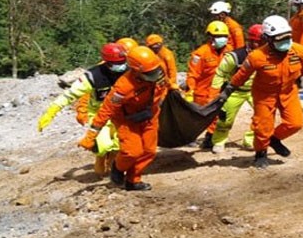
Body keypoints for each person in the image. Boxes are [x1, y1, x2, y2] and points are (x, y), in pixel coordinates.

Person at [217, 15, 303, 168]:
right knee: (262, 127)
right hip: (264, 95)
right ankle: (261, 154)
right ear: (268, 38)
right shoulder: (257, 56)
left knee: (295, 123)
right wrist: (225, 94)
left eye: (287, 37)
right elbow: (240, 76)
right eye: (279, 39)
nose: (284, 42)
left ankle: (274, 138)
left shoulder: (298, 51)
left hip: (288, 91)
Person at [78, 46, 167, 191]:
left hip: (150, 115)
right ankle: (118, 168)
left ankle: (133, 181)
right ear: (136, 71)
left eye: (155, 72)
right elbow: (106, 109)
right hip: (127, 120)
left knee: (149, 151)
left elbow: (163, 87)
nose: (154, 76)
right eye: (149, 74)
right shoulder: (123, 87)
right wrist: (91, 135)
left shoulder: (157, 68)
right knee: (132, 151)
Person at [38, 42, 128, 176]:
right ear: (108, 62)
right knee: (103, 145)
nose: (122, 65)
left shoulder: (129, 71)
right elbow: (70, 95)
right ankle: (101, 160)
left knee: (120, 143)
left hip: (120, 113)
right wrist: (52, 111)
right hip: (98, 113)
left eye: (123, 62)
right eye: (118, 63)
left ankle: (113, 167)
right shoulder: (92, 77)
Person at [209, 24, 266, 152]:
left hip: (255, 91)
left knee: (263, 117)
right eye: (259, 42)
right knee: (225, 119)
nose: (262, 45)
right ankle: (218, 141)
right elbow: (220, 74)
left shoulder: (266, 55)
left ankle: (250, 140)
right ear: (250, 41)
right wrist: (214, 96)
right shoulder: (234, 57)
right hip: (234, 91)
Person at [186, 21, 231, 149]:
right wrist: (190, 92)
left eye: (224, 36)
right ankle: (190, 137)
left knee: (216, 117)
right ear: (210, 37)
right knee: (198, 117)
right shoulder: (200, 53)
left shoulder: (228, 52)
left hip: (219, 91)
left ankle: (209, 138)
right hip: (202, 92)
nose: (221, 39)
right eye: (218, 36)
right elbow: (192, 74)